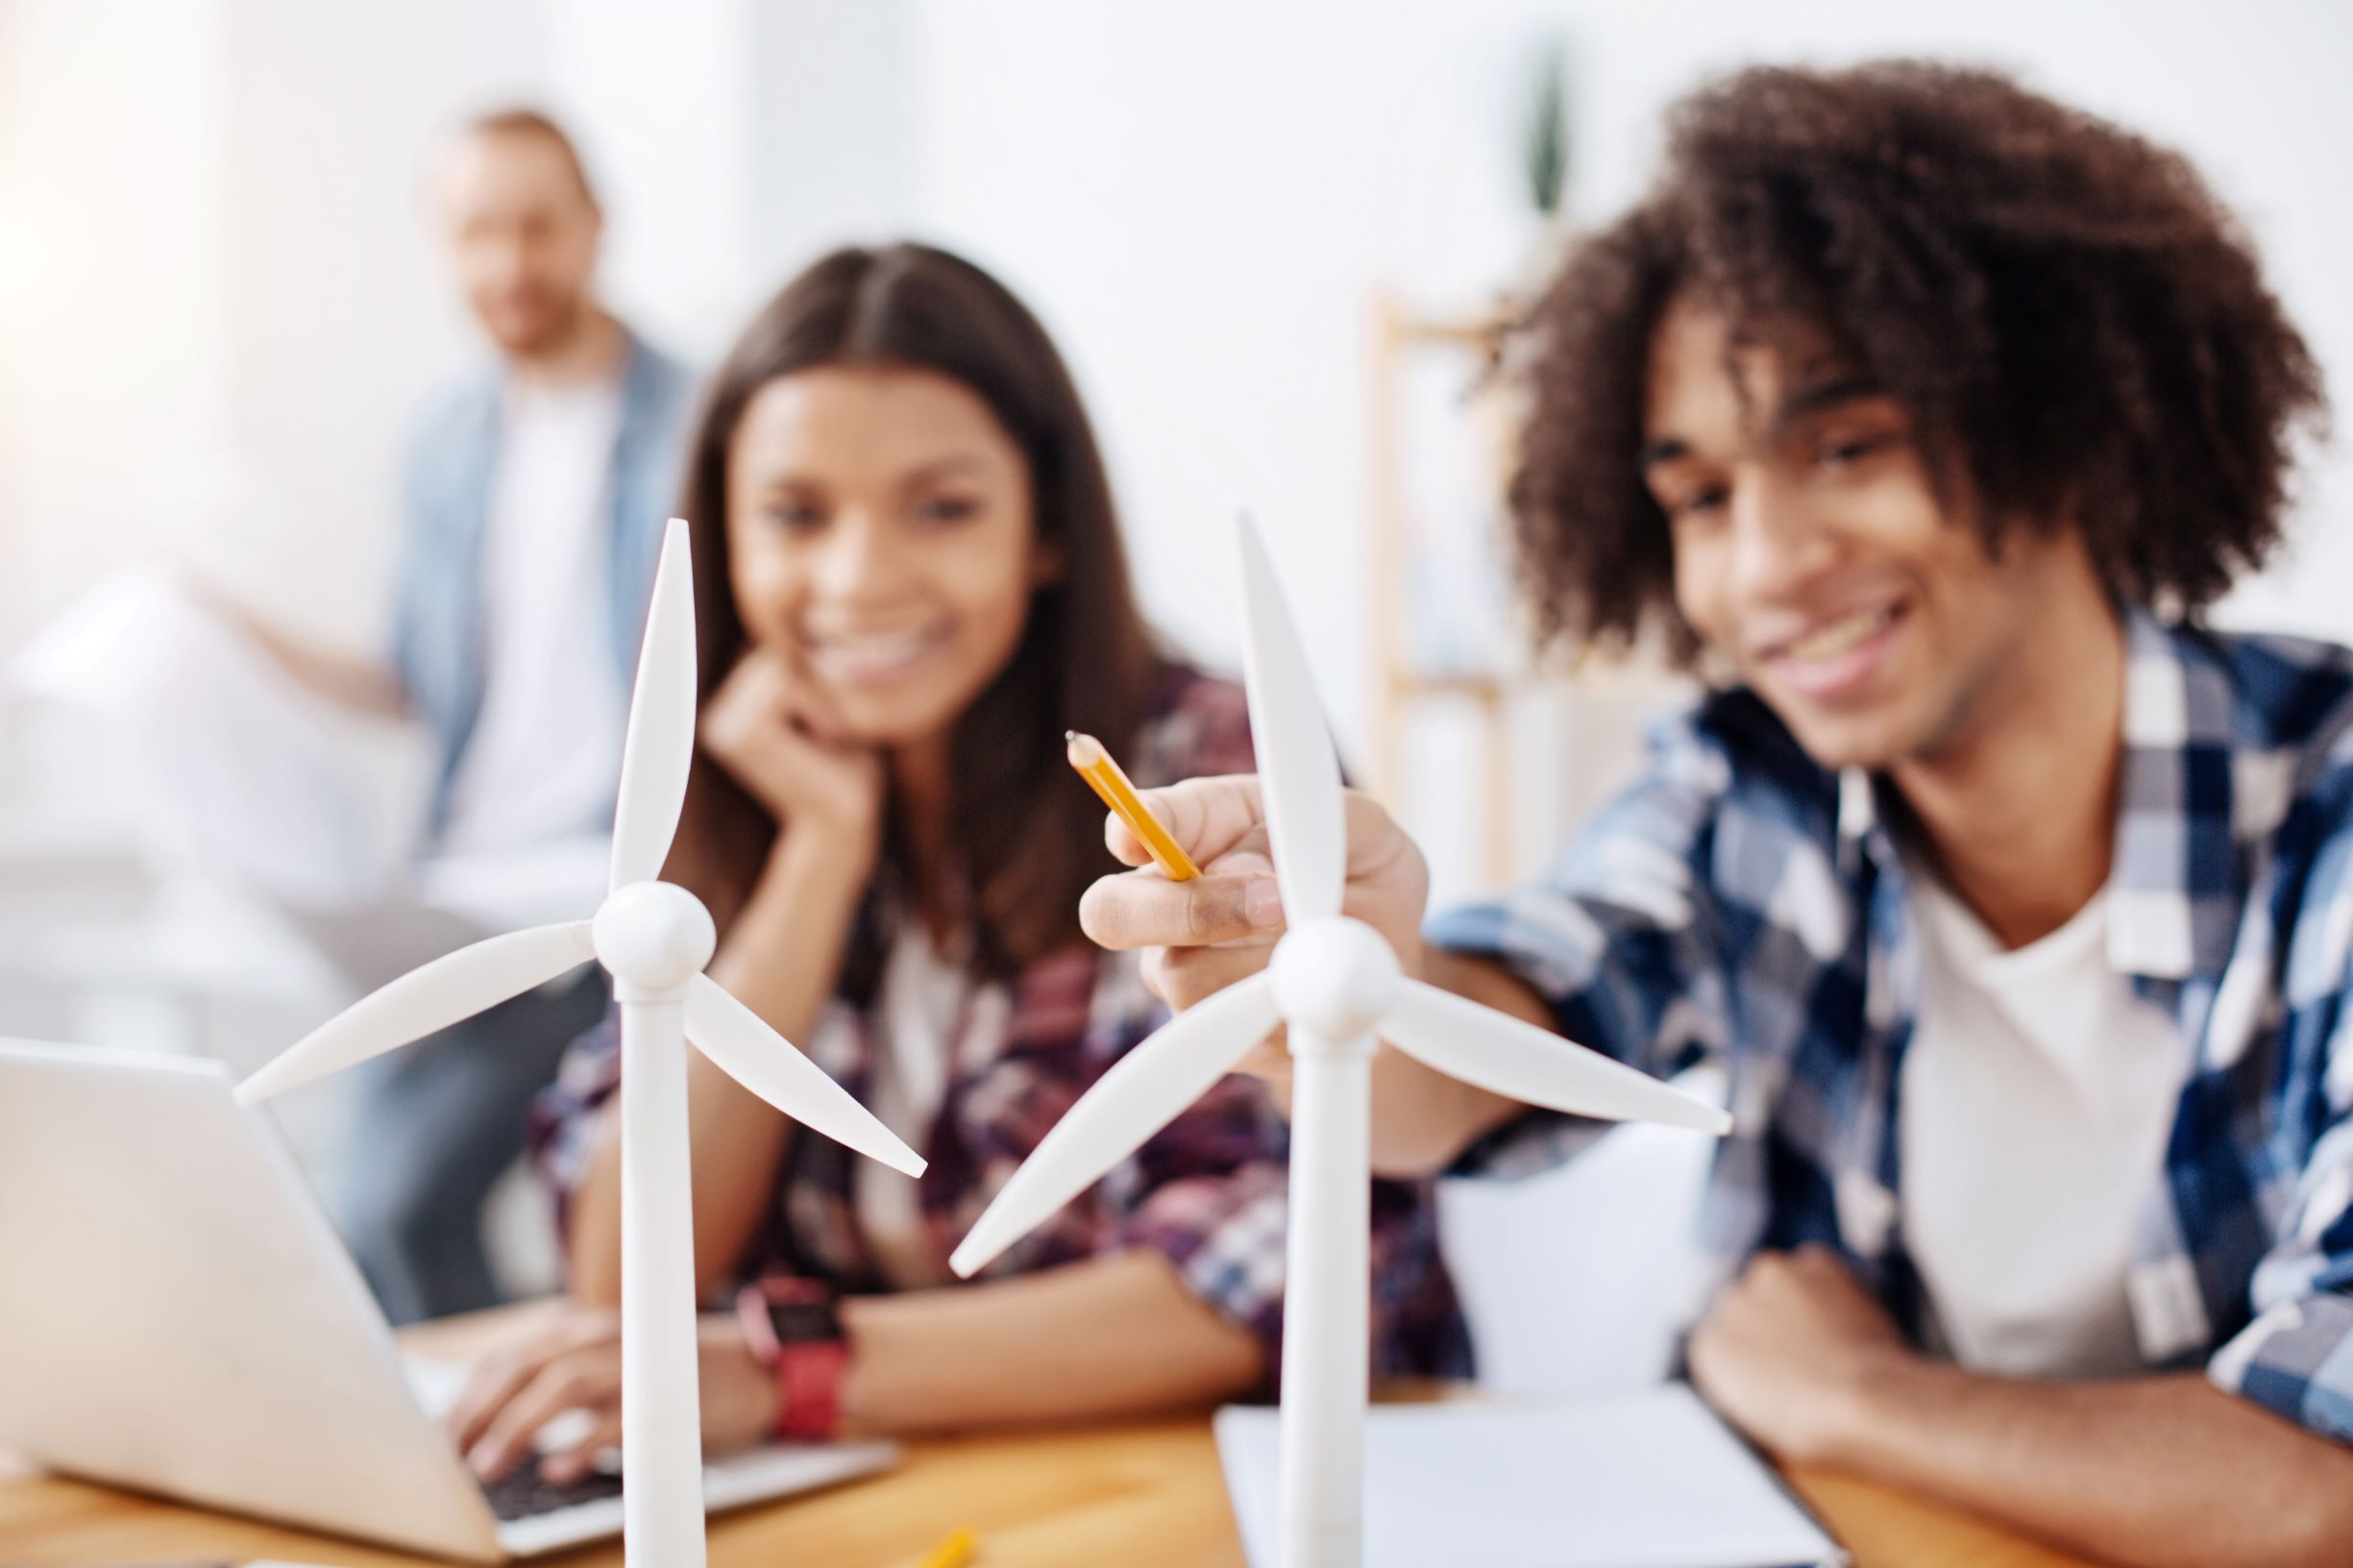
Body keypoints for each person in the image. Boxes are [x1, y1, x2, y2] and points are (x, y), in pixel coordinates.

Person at [1076, 63, 2353, 1568]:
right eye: (1697, 498)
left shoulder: (2321, 814)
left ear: (2063, 418)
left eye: (1846, 447)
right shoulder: (1749, 788)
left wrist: (1859, 1395)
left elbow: (2314, 1495)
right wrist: (1346, 977)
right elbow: (1474, 1060)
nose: (1764, 568)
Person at [445, 243, 1464, 1483]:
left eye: (942, 508)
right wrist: (816, 864)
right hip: (896, 1489)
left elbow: (1276, 1268)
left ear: (1044, 531)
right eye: (795, 515)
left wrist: (793, 1375)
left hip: (1206, 1492)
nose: (860, 578)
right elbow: (622, 1280)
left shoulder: (1207, 773)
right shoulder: (727, 775)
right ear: (723, 536)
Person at [221, 108, 697, 1323]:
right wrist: (227, 639)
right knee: (354, 1214)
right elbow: (417, 679)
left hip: (598, 892)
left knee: (409, 1203)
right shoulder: (447, 440)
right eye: (477, 233)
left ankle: (503, 1455)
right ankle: (458, 1460)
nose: (508, 265)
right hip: (458, 888)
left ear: (593, 229)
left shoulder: (695, 423)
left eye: (536, 226)